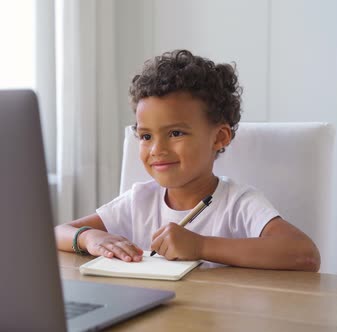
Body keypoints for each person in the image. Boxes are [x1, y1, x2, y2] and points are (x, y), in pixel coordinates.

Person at [55, 49, 320, 271]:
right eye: (146, 136)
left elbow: (304, 255)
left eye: (176, 133)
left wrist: (200, 246)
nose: (157, 148)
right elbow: (58, 232)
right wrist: (90, 237)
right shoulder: (138, 202)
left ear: (219, 137)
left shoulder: (238, 204)